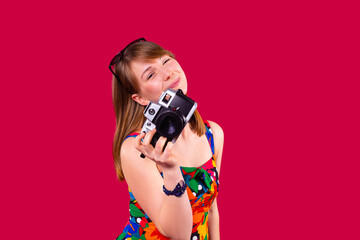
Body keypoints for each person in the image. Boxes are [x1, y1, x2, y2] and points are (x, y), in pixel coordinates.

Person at [109, 38, 224, 240]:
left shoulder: (213, 133)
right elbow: (176, 234)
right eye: (151, 74)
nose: (168, 72)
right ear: (141, 99)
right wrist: (170, 171)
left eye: (166, 60)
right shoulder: (138, 148)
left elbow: (211, 210)